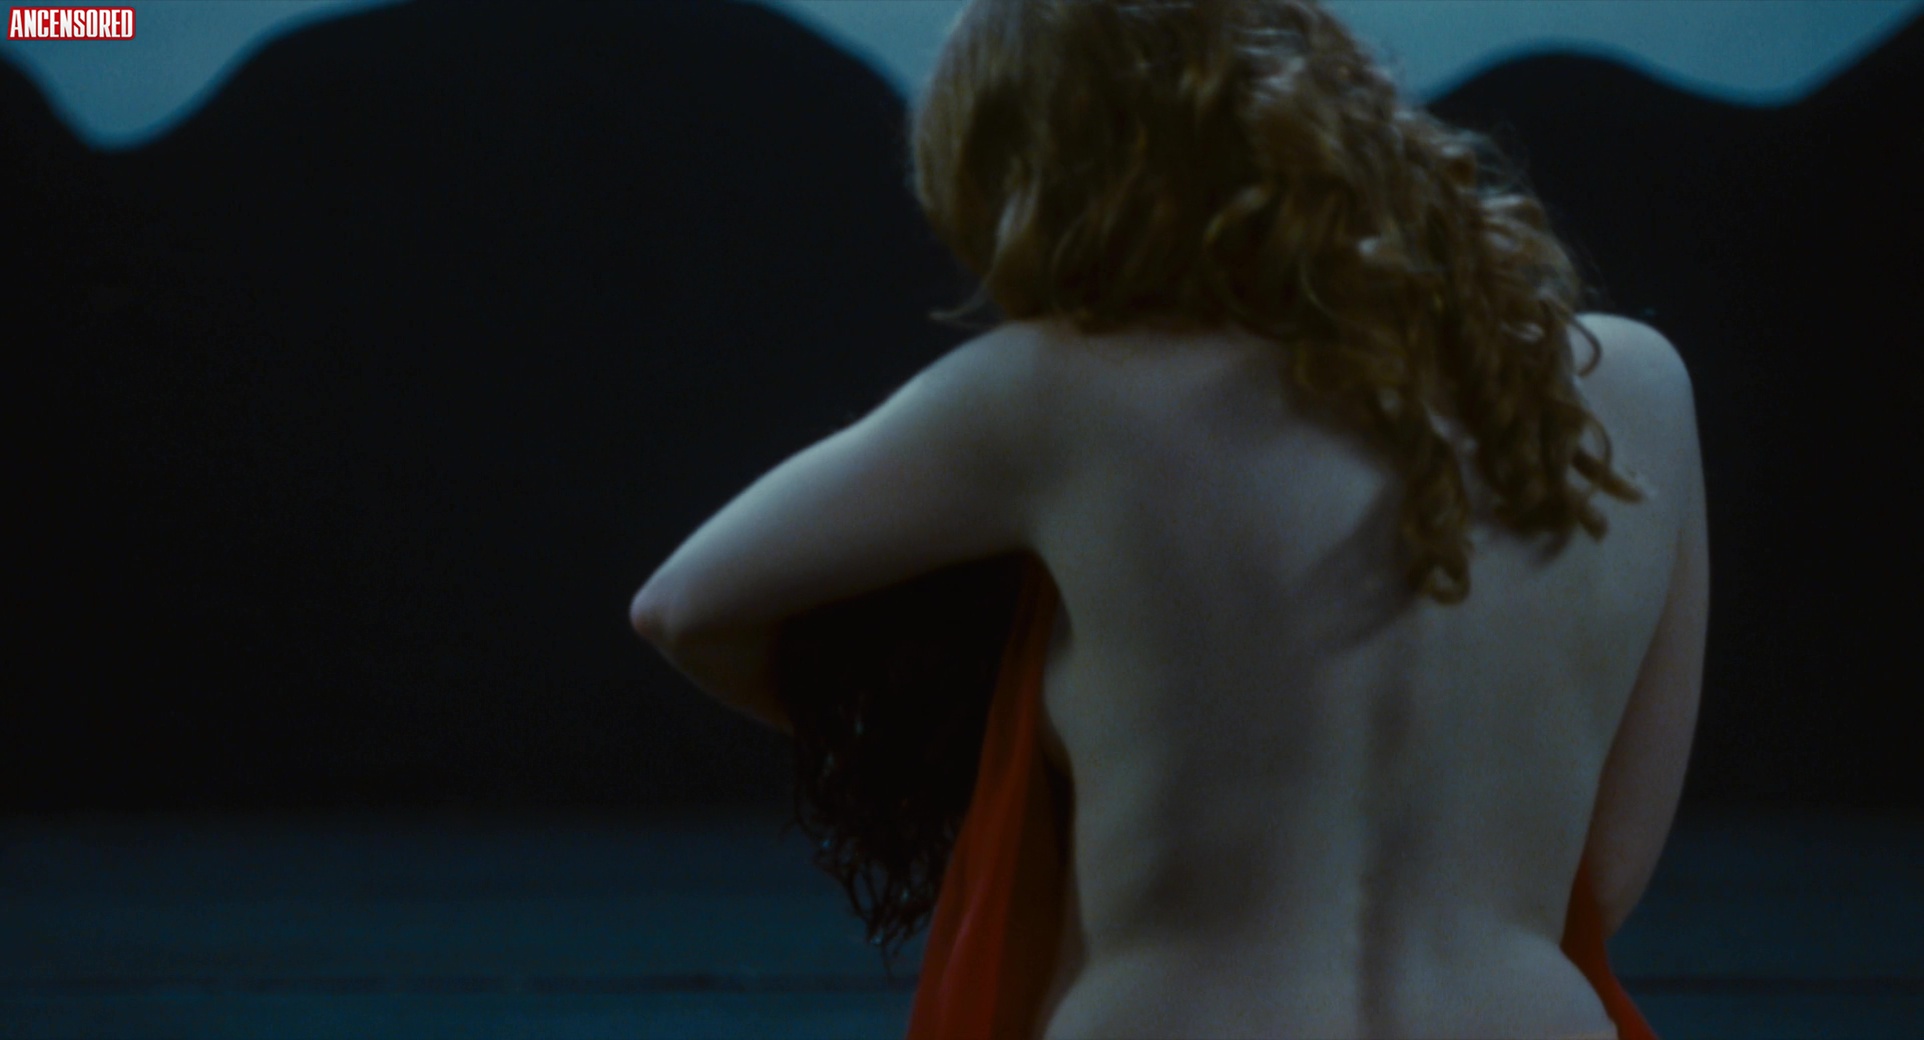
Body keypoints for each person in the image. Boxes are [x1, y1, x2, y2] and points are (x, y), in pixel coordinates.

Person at [630, 0, 1708, 1036]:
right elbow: (1605, 877)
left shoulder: (1058, 390)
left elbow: (684, 605)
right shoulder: (1644, 387)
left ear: (1041, 186)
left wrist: (1019, 760)